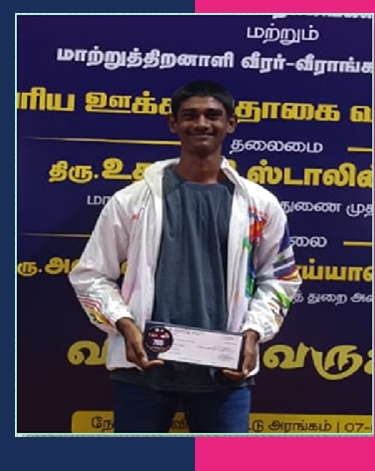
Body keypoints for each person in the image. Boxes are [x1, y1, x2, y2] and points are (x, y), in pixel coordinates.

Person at [69, 80, 302, 434]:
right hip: (143, 369)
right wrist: (124, 324)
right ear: (173, 123)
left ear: (231, 123)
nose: (201, 124)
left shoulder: (259, 205)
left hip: (226, 370)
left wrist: (254, 333)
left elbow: (281, 278)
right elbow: (91, 274)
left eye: (213, 115)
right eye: (190, 115)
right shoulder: (132, 201)